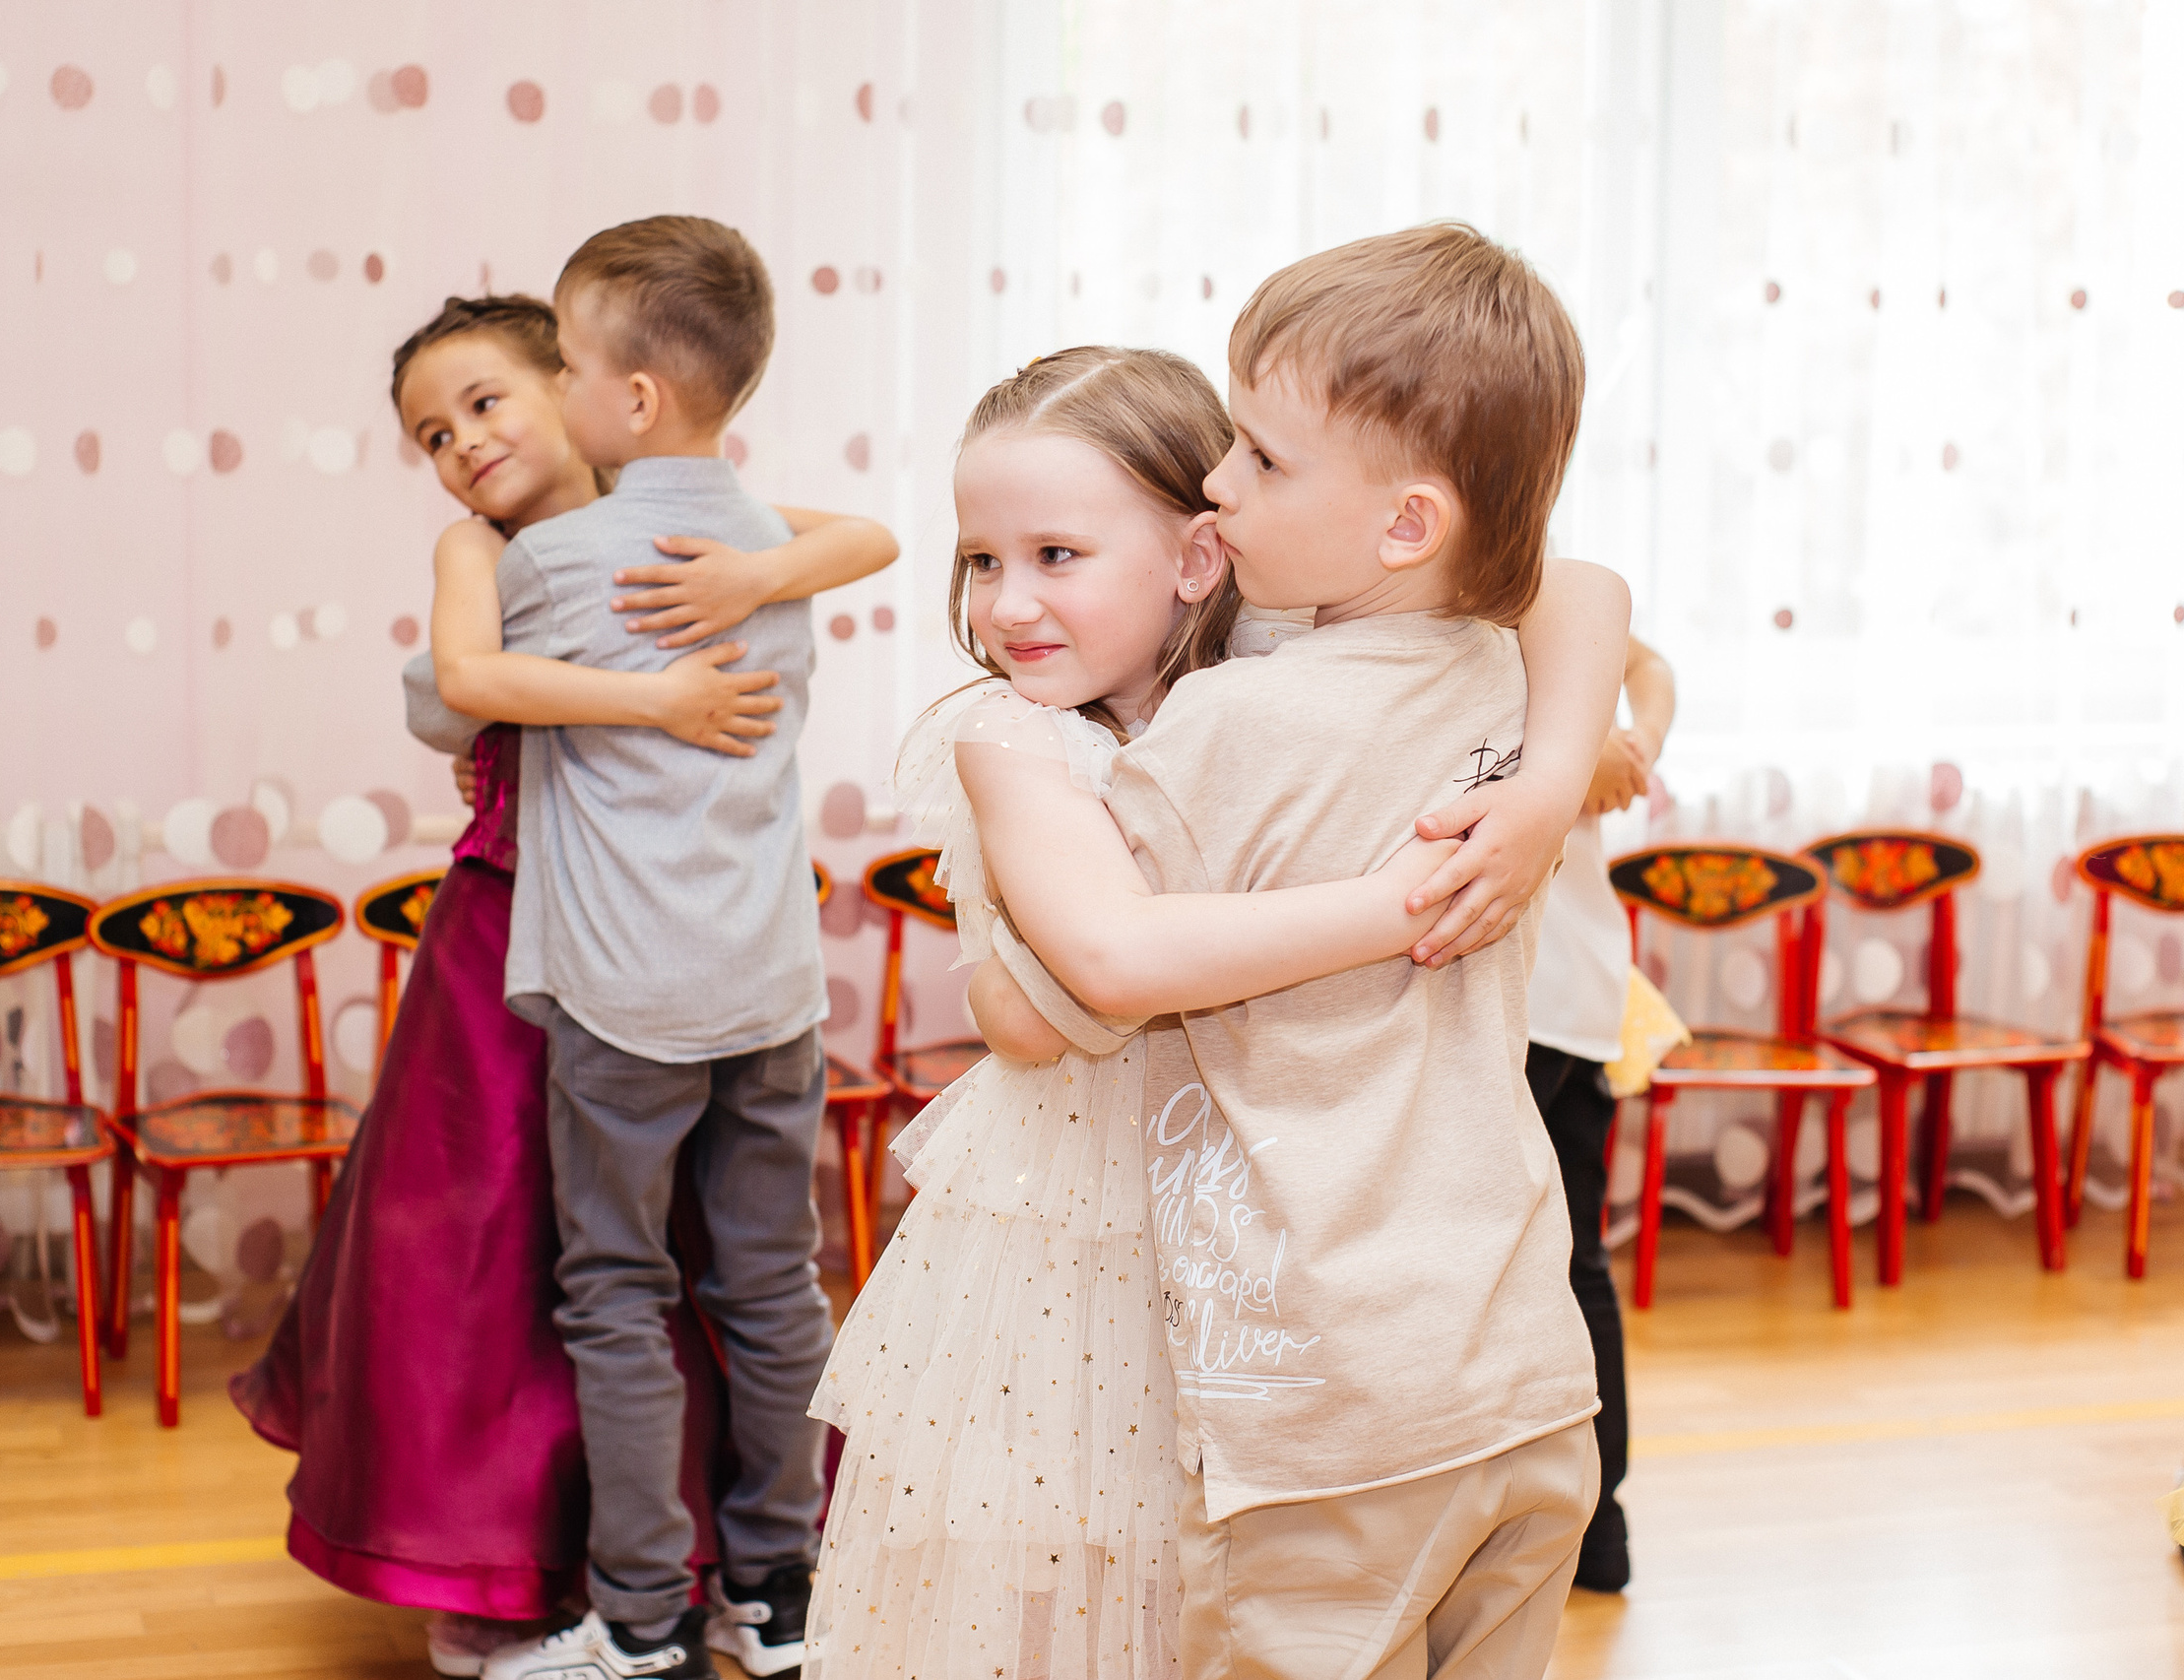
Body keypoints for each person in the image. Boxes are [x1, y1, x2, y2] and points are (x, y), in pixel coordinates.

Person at [807, 345, 1630, 1678]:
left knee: (1226, 1562)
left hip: (1287, 1230)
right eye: (980, 559)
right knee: (1089, 1551)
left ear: (1199, 557)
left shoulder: (1279, 661)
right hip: (1083, 1226)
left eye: (1057, 555)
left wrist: (1537, 799)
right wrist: (1414, 895)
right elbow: (1080, 983)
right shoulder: (1009, 735)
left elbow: (1578, 588)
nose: (1006, 603)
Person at [229, 291, 895, 1678]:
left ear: (583, 390)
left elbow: (853, 536)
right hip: (511, 945)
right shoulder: (484, 556)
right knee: (488, 1262)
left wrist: (752, 578)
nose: (461, 443)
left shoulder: (688, 530)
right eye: (430, 434)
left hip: (681, 956)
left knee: (694, 1267)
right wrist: (655, 679)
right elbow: (450, 690)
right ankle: (511, 1559)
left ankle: (707, 1578)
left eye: (485, 401)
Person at [461, 218, 842, 1680]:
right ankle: (780, 1594)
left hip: (627, 991)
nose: (553, 389)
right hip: (772, 982)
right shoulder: (776, 550)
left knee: (617, 1292)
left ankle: (639, 1621)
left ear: (632, 398)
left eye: (562, 364)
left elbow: (445, 699)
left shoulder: (557, 560)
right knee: (773, 1285)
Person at [1524, 632, 1674, 1595]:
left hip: (1544, 993)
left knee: (1558, 1265)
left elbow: (1647, 665)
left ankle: (1586, 1524)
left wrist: (1632, 746)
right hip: (1558, 986)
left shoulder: (1519, 588)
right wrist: (1588, 752)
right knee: (1572, 1264)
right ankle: (1591, 1530)